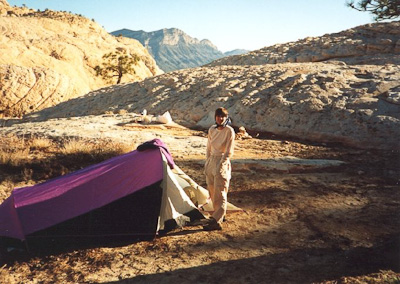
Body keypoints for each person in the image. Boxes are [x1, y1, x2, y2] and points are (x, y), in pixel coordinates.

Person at [203, 107, 235, 231]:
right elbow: (208, 147)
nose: (220, 119)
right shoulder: (212, 129)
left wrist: (221, 165)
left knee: (220, 191)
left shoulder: (229, 131)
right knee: (211, 189)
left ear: (226, 118)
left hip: (222, 160)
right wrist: (207, 162)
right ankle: (220, 213)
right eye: (218, 116)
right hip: (212, 159)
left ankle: (216, 221)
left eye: (222, 117)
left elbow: (229, 151)